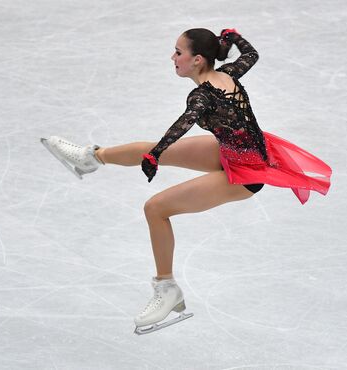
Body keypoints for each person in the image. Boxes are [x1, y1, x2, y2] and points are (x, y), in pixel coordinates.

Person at [41, 28, 332, 333]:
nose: (173, 57)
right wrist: (232, 37)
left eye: (178, 52)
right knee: (146, 148)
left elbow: (183, 123)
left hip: (246, 175)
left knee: (156, 208)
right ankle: (90, 158)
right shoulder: (228, 73)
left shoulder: (203, 94)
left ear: (197, 60)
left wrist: (157, 155)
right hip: (233, 152)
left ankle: (167, 289)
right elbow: (251, 55)